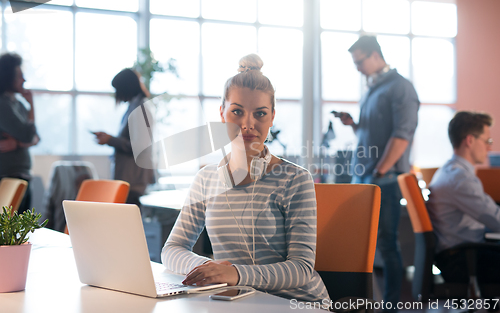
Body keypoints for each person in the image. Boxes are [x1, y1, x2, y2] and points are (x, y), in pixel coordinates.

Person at [162, 54, 329, 303]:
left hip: (296, 303)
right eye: (237, 111)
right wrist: (210, 269)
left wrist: (234, 273)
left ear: (272, 117)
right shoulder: (206, 178)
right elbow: (172, 250)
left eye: (260, 114)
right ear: (222, 114)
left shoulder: (295, 179)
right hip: (239, 301)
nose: (247, 124)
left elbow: (301, 269)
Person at [336, 35, 419, 309]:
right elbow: (370, 133)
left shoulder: (400, 88)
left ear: (374, 55)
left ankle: (392, 305)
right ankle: (366, 301)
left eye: (359, 61)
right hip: (366, 176)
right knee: (363, 243)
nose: (358, 67)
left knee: (386, 244)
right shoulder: (372, 89)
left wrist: (380, 171)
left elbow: (402, 136)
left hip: (384, 178)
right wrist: (353, 125)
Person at [427, 111, 500, 283]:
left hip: (459, 253)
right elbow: (495, 220)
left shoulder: (449, 171)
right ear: (470, 140)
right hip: (463, 259)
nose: (490, 148)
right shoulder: (460, 179)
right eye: (487, 141)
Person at [93, 68, 155, 207]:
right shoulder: (134, 106)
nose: (116, 94)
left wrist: (111, 140)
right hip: (130, 177)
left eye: (117, 89)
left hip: (133, 179)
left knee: (128, 220)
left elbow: (140, 145)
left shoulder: (140, 108)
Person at [0, 53, 39, 213]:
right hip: (9, 175)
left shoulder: (18, 104)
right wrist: (32, 105)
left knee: (21, 230)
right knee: (12, 231)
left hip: (22, 174)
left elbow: (36, 137)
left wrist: (17, 143)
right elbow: (29, 135)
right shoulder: (3, 105)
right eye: (20, 76)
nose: (24, 80)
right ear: (9, 78)